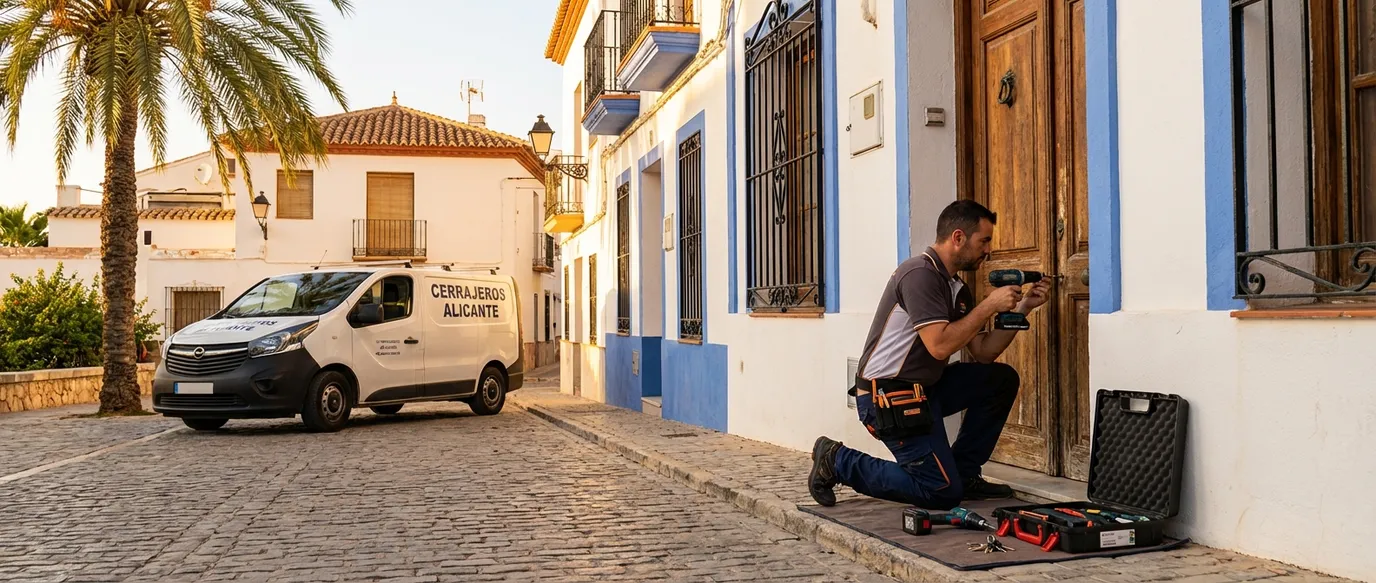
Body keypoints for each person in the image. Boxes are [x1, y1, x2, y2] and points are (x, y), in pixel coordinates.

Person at [808, 199, 1051, 510]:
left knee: (999, 379)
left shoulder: (957, 287)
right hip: (888, 396)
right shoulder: (919, 275)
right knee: (939, 493)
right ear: (958, 237)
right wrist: (989, 306)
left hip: (925, 390)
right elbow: (939, 345)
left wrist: (1023, 307)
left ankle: (965, 474)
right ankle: (838, 460)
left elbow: (983, 352)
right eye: (985, 241)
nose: (988, 250)